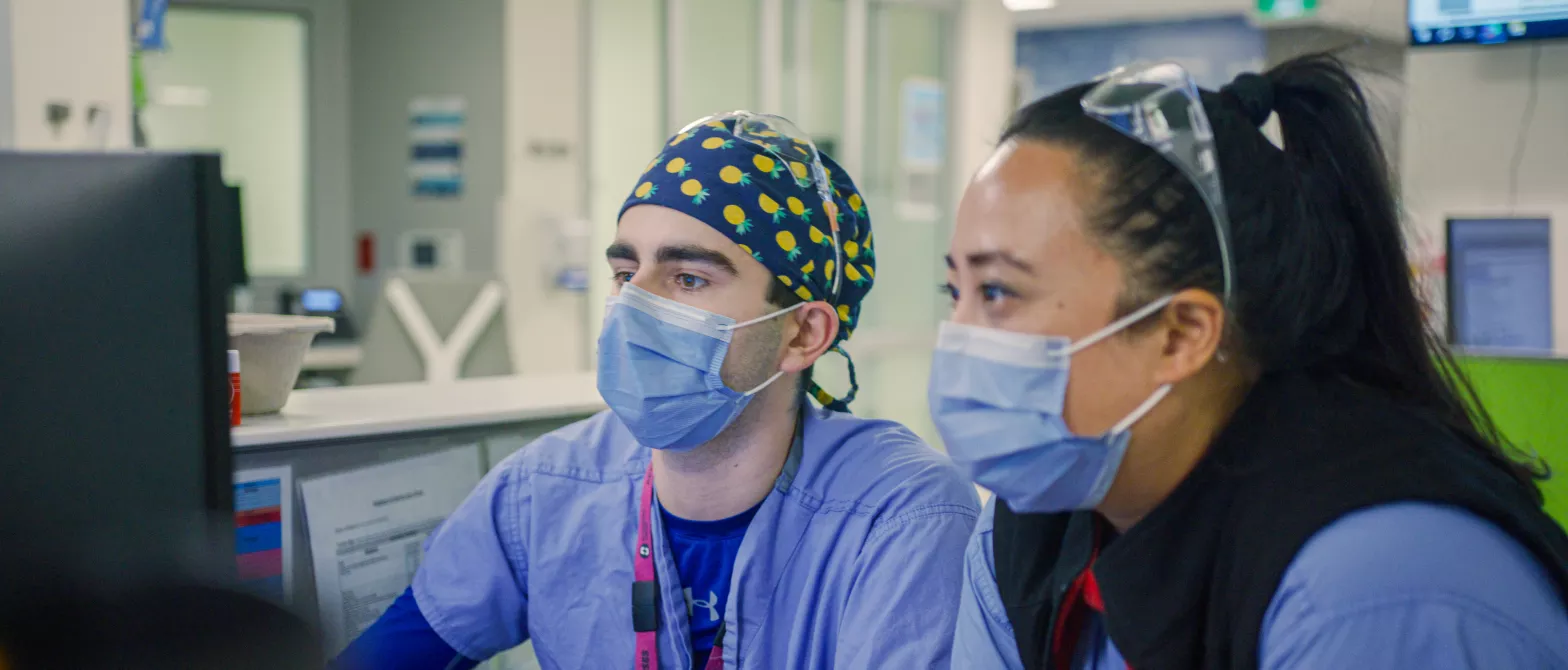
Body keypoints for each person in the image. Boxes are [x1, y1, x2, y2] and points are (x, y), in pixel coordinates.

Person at [933, 54, 1568, 670]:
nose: (958, 339)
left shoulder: (1379, 583)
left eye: (998, 293)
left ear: (1180, 335)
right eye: (954, 292)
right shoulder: (1029, 535)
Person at [336, 113, 980, 670]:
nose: (631, 302)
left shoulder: (901, 516)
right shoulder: (545, 491)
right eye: (625, 270)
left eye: (688, 279)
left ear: (802, 332)